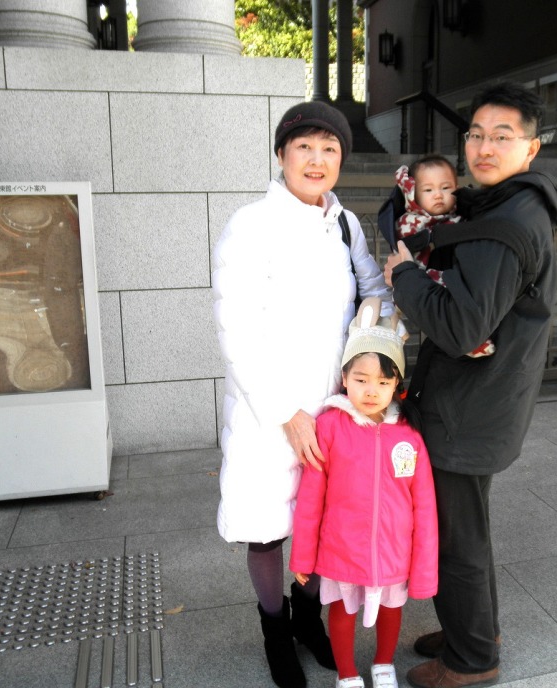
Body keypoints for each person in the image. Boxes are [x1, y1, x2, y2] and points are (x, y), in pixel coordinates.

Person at [383, 81, 557, 688]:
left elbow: (461, 328)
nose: (484, 148)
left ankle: (471, 660)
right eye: (476, 135)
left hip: (468, 410)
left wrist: (405, 277)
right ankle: (476, 630)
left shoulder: (505, 224)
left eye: (502, 137)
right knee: (469, 530)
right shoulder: (509, 205)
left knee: (455, 539)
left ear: (531, 148)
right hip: (487, 399)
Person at [211, 101, 394, 688]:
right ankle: (274, 630)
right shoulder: (250, 225)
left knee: (320, 523)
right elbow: (235, 330)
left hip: (333, 411)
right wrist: (284, 412)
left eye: (329, 149)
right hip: (269, 412)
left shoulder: (344, 224)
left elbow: (374, 287)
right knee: (267, 527)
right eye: (305, 147)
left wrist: (375, 315)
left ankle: (307, 619)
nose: (317, 160)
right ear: (282, 154)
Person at [290, 297, 438, 688]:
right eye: (361, 379)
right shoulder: (329, 428)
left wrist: (423, 568)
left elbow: (424, 507)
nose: (372, 390)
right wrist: (303, 553)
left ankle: (384, 664)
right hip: (342, 549)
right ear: (344, 377)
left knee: (391, 610)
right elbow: (311, 499)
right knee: (342, 610)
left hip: (394, 551)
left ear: (397, 386)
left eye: (383, 382)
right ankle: (347, 674)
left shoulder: (409, 437)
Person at [394, 155, 494, 358]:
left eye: (446, 188)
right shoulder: (411, 220)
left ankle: (473, 338)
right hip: (424, 276)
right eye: (428, 190)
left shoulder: (462, 216)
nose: (438, 195)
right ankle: (470, 342)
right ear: (412, 195)